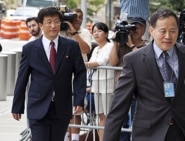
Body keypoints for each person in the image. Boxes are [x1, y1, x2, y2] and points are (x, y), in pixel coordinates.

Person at [103, 9, 185, 141]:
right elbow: (119, 106)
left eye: (172, 31)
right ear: (152, 30)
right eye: (163, 31)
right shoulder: (134, 60)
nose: (168, 36)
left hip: (184, 132)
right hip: (148, 133)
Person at [11, 7, 86, 141]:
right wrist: (17, 106)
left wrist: (79, 99)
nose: (53, 25)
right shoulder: (30, 49)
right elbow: (22, 78)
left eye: (56, 21)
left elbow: (80, 73)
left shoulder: (71, 46)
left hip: (61, 107)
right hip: (38, 106)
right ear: (41, 25)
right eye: (49, 22)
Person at [109, 17, 148, 141]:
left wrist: (131, 45)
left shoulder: (147, 45)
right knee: (121, 123)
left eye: (138, 27)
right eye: (133, 26)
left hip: (139, 92)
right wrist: (115, 42)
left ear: (145, 30)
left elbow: (142, 61)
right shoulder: (121, 43)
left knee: (137, 124)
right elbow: (113, 61)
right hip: (121, 89)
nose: (135, 29)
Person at [60, 8, 92, 141]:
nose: (77, 19)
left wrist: (74, 33)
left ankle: (74, 138)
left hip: (78, 75)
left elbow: (86, 49)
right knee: (62, 108)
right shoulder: (60, 30)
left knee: (76, 108)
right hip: (62, 75)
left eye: (79, 17)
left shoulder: (83, 32)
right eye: (74, 16)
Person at [85, 22, 114, 141]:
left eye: (99, 31)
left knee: (107, 116)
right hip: (96, 84)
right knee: (100, 115)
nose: (96, 33)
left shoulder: (110, 46)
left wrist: (80, 64)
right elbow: (91, 65)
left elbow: (100, 62)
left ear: (106, 33)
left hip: (107, 83)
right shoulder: (96, 48)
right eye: (94, 31)